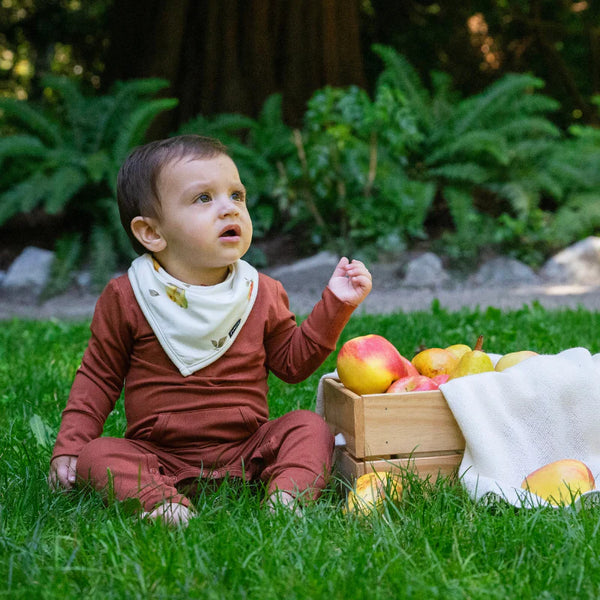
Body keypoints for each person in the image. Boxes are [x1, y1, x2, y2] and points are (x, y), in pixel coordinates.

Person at [48, 135, 372, 525]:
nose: (229, 209)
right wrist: (71, 446)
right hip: (158, 454)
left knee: (309, 427)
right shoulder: (128, 296)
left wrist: (336, 304)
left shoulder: (260, 292)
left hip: (248, 448)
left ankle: (287, 496)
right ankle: (161, 503)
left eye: (236, 195)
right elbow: (98, 378)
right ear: (151, 233)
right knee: (97, 456)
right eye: (204, 198)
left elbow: (292, 364)